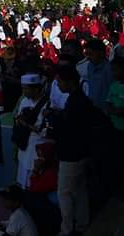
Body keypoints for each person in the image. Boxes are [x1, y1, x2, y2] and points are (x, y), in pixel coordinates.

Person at [52, 65, 93, 235]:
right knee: (79, 190)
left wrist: (56, 120)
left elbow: (69, 129)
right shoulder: (79, 99)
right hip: (81, 152)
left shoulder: (76, 102)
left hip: (71, 154)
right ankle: (82, 223)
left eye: (59, 81)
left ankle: (66, 229)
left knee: (65, 193)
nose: (58, 84)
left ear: (68, 81)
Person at [13, 74, 48, 188]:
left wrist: (27, 124)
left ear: (36, 89)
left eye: (26, 89)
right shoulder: (24, 102)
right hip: (24, 145)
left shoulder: (47, 104)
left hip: (37, 147)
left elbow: (44, 130)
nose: (24, 92)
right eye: (23, 88)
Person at [106, 56, 124, 190]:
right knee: (119, 159)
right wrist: (117, 110)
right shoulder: (113, 86)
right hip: (115, 129)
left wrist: (116, 110)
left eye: (116, 70)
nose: (113, 73)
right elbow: (108, 104)